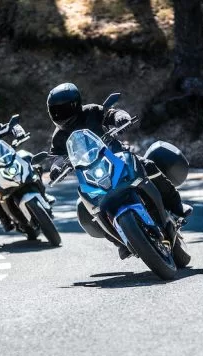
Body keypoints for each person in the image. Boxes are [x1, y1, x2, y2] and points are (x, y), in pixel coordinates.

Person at [46, 82, 192, 259]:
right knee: (86, 206)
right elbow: (58, 156)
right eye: (54, 110)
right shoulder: (59, 136)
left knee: (148, 166)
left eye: (62, 109)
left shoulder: (91, 111)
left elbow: (110, 113)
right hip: (90, 173)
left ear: (75, 105)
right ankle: (121, 241)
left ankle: (176, 205)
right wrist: (56, 167)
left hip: (118, 158)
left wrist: (120, 117)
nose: (58, 114)